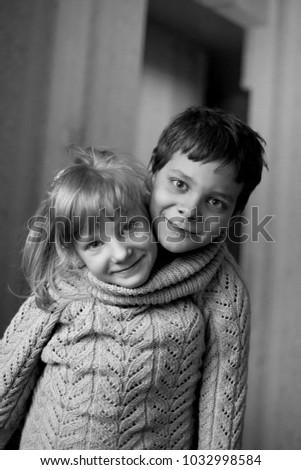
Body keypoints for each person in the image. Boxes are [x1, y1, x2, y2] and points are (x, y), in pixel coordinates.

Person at [0, 146, 225, 450]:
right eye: (94, 243)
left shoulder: (190, 310)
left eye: (130, 227)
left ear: (151, 218)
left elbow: (216, 408)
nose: (120, 253)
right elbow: (7, 384)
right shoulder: (62, 295)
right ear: (73, 253)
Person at [148, 106, 267, 449]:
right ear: (152, 171)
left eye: (214, 201)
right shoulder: (94, 240)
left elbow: (221, 421)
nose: (190, 209)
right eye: (179, 184)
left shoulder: (225, 296)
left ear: (233, 215)